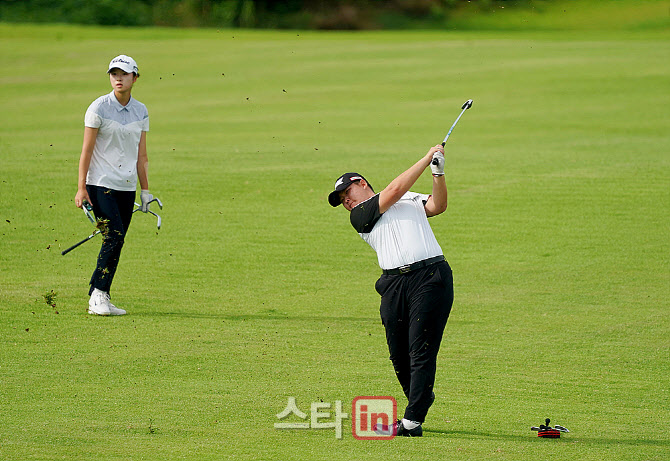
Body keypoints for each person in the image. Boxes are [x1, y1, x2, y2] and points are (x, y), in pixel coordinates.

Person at [328, 145, 454, 437]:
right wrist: (425, 158)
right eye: (342, 200)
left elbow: (437, 206)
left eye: (347, 194)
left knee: (420, 348)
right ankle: (421, 397)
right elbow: (395, 189)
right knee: (399, 354)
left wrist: (438, 172)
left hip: (430, 277)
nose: (346, 202)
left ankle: (411, 421)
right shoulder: (360, 216)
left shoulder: (408, 198)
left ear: (361, 183)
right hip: (394, 285)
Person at [74, 54, 157, 316]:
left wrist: (145, 190)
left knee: (117, 241)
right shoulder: (98, 107)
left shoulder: (140, 110)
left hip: (126, 186)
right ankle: (97, 295)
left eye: (123, 74)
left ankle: (101, 294)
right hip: (99, 184)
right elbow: (86, 151)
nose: (118, 78)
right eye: (113, 74)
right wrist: (81, 188)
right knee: (114, 236)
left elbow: (141, 155)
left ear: (135, 77)